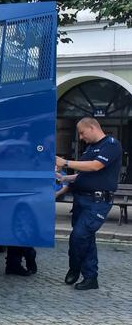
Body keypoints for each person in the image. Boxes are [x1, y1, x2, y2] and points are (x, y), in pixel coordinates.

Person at [56, 116, 123, 291]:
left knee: (79, 236)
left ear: (92, 127)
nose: (81, 137)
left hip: (97, 202)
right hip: (81, 200)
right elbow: (85, 174)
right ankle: (90, 277)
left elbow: (95, 166)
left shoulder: (111, 144)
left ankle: (75, 268)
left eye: (82, 133)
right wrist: (65, 177)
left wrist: (66, 162)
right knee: (85, 239)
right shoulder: (91, 148)